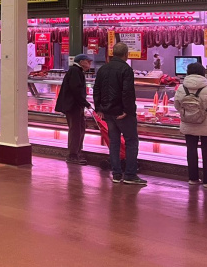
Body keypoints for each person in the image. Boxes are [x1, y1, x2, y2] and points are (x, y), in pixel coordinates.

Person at [92, 42, 147, 185]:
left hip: (108, 113)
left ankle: (116, 174)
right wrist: (127, 111)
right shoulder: (126, 69)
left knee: (114, 143)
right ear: (126, 54)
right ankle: (130, 174)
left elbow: (96, 89)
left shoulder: (103, 69)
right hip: (122, 114)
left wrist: (99, 108)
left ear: (112, 54)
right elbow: (127, 92)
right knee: (131, 142)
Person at [174, 63, 207, 188]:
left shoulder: (181, 88)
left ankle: (193, 178)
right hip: (206, 125)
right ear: (203, 73)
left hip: (188, 124)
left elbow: (177, 106)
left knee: (191, 151)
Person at [56, 54, 92, 165]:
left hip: (76, 106)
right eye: (87, 61)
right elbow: (76, 90)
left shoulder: (77, 71)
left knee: (80, 129)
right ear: (81, 62)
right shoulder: (75, 71)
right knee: (76, 130)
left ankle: (77, 152)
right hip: (73, 106)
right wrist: (85, 103)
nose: (90, 64)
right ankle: (72, 155)